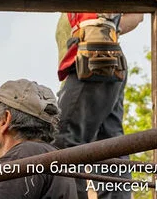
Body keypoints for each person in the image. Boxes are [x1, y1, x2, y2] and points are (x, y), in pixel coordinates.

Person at [53, 13, 144, 199]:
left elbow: (137, 15)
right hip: (105, 63)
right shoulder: (72, 10)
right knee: (109, 145)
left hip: (93, 62)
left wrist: (109, 26)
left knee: (64, 142)